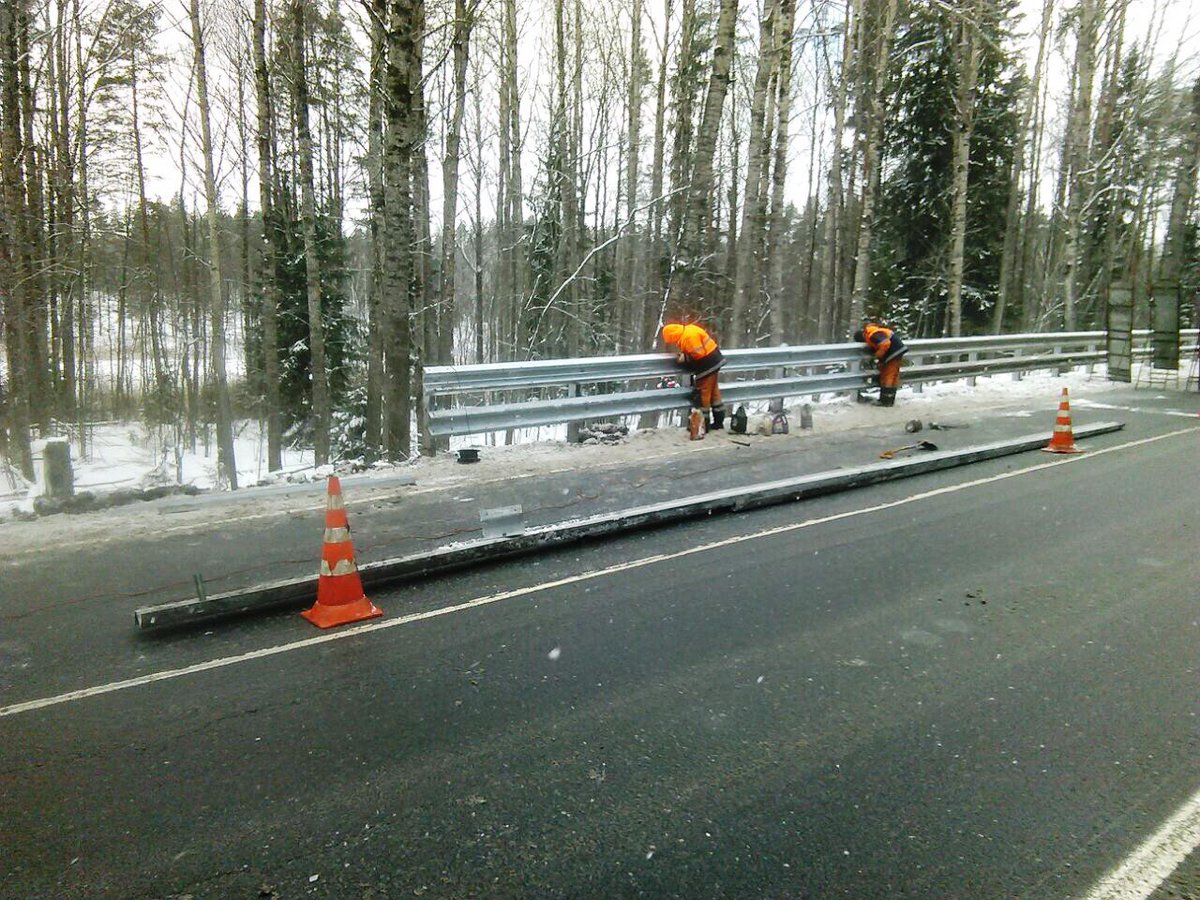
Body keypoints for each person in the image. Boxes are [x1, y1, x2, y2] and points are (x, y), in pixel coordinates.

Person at [661, 322, 727, 430]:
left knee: (703, 394)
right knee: (714, 393)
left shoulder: (687, 337)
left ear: (672, 336)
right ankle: (718, 422)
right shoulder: (689, 329)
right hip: (715, 360)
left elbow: (698, 354)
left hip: (707, 365)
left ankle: (703, 425)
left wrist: (685, 358)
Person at [853, 321, 908, 407]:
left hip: (893, 352)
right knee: (893, 376)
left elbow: (885, 343)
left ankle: (885, 401)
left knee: (888, 376)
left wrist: (878, 355)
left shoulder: (872, 334)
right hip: (898, 350)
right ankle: (890, 400)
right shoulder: (875, 331)